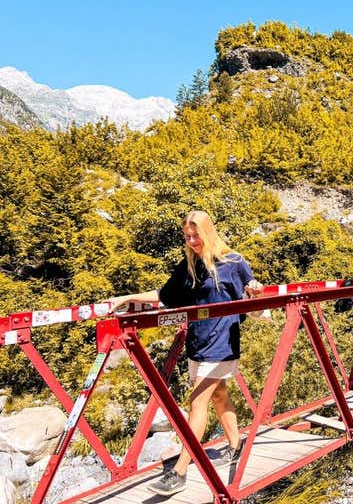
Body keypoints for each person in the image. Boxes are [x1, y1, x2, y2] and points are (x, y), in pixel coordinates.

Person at [106, 210, 264, 497]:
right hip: (198, 344)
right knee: (219, 395)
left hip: (223, 343)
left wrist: (254, 291)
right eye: (188, 237)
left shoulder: (233, 261)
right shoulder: (189, 266)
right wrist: (127, 297)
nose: (192, 241)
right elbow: (164, 295)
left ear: (208, 232)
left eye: (196, 235)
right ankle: (235, 444)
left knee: (197, 403)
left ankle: (178, 472)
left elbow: (252, 291)